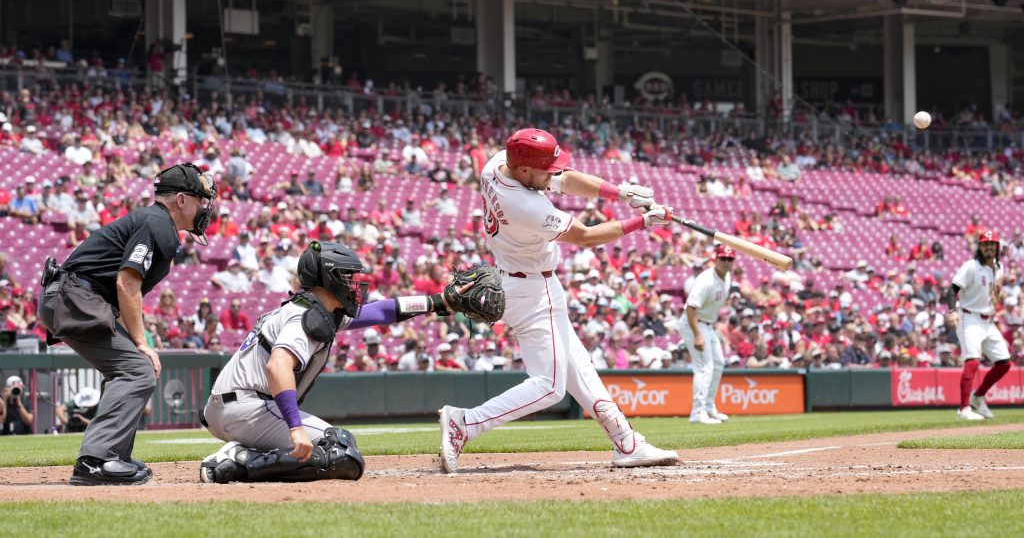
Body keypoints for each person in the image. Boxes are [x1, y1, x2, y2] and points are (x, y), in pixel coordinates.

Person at [438, 128, 679, 473]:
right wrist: (641, 221)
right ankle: (467, 423)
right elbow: (586, 237)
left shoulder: (496, 165)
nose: (552, 172)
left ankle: (626, 442)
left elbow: (563, 179)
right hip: (532, 291)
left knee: (578, 366)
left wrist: (620, 192)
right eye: (543, 169)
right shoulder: (524, 205)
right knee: (551, 387)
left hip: (526, 281)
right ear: (523, 170)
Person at [199, 241, 469, 483]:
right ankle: (239, 463)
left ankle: (244, 453)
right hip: (249, 409)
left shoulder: (315, 309)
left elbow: (382, 311)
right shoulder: (305, 317)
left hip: (228, 408)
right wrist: (295, 428)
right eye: (348, 277)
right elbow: (277, 366)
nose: (354, 284)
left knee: (335, 448)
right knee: (342, 451)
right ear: (330, 279)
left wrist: (438, 301)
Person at [38, 162, 217, 485]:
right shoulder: (158, 223)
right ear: (181, 200)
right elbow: (126, 284)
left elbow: (123, 292)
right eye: (200, 200)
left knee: (135, 367)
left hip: (80, 298)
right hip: (77, 297)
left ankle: (114, 455)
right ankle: (95, 461)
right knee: (137, 369)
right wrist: (141, 343)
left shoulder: (157, 223)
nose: (204, 208)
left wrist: (141, 343)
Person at [950, 230, 1012, 421]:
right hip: (969, 318)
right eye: (985, 245)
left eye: (992, 245)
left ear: (997, 248)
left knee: (1004, 363)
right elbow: (952, 289)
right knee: (973, 361)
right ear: (980, 247)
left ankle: (978, 396)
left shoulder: (999, 267)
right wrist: (952, 310)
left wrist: (997, 299)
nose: (989, 248)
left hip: (987, 320)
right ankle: (963, 408)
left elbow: (995, 293)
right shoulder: (971, 266)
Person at [680, 245, 734, 425]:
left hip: (708, 324)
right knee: (705, 367)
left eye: (729, 259)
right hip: (694, 323)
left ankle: (709, 407)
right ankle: (697, 412)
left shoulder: (727, 277)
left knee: (719, 363)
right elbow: (691, 308)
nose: (726, 262)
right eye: (723, 258)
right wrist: (697, 335)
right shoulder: (706, 280)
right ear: (715, 259)